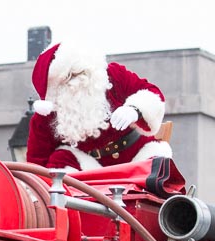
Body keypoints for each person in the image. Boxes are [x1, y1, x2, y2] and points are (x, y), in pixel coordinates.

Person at [26, 41, 172, 171]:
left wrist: (135, 110)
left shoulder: (114, 76)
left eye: (79, 72)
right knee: (59, 162)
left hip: (137, 158)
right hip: (91, 174)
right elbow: (37, 164)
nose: (78, 82)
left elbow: (152, 94)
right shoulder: (49, 113)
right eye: (69, 78)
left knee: (159, 164)